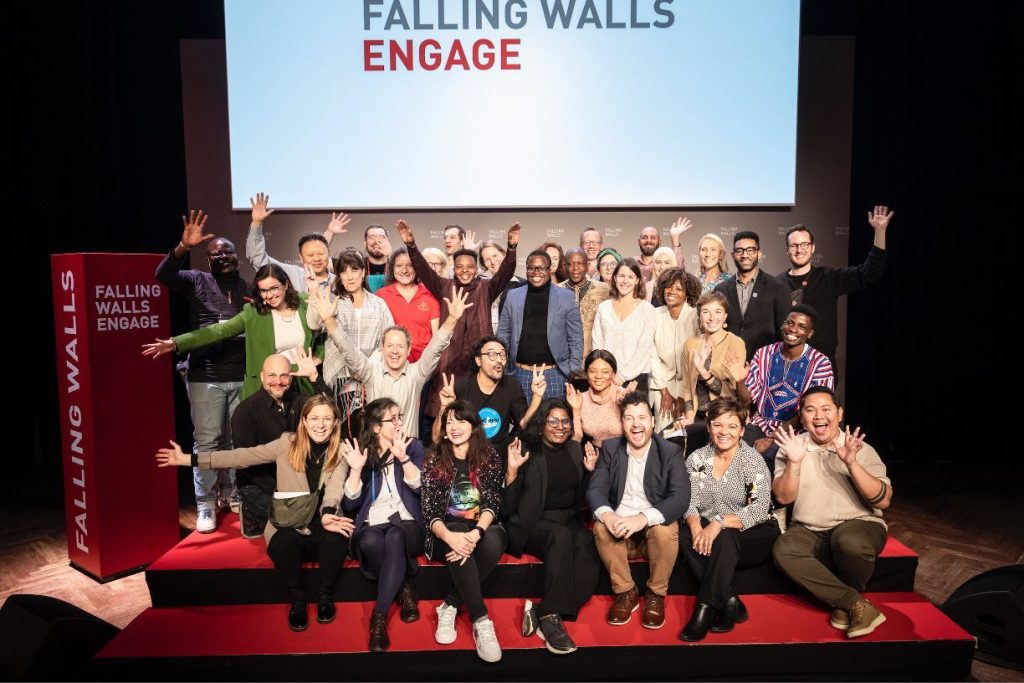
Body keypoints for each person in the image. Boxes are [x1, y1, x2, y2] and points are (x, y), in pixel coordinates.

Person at [156, 395, 354, 632]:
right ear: (304, 420)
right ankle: (297, 598)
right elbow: (242, 456)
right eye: (314, 418)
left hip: (322, 517)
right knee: (284, 541)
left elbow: (335, 487)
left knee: (337, 538)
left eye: (327, 419)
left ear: (335, 422)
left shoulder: (341, 450)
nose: (320, 425)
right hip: (290, 519)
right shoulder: (287, 443)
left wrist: (328, 513)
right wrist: (189, 459)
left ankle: (325, 595)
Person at [772, 387, 893, 639]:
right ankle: (852, 603)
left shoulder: (859, 447)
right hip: (809, 528)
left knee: (849, 541)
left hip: (858, 523)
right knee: (784, 550)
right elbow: (783, 498)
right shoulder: (792, 447)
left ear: (839, 414)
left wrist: (852, 463)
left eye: (826, 409)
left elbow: (883, 501)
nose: (819, 416)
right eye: (810, 410)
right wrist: (794, 463)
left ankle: (845, 602)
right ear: (801, 417)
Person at [154, 209, 249, 532]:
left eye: (227, 252)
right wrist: (183, 247)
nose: (222, 256)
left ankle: (233, 493)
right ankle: (205, 503)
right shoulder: (197, 280)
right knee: (207, 442)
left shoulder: (248, 287)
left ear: (236, 256)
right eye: (215, 253)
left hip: (241, 374)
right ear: (208, 260)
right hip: (205, 376)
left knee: (238, 442)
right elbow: (164, 275)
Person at [308, 283, 471, 439]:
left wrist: (452, 319)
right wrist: (328, 320)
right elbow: (347, 349)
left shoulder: (416, 374)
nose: (394, 351)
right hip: (375, 450)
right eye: (390, 346)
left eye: (400, 346)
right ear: (382, 349)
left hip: (407, 449)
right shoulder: (370, 372)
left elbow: (436, 347)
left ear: (408, 350)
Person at [503, 400, 601, 655]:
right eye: (553, 421)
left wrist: (590, 472)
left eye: (565, 421)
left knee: (590, 549)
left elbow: (583, 496)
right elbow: (507, 506)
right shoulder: (527, 449)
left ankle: (543, 610)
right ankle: (549, 620)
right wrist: (511, 472)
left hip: (569, 519)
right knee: (560, 537)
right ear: (542, 423)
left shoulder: (574, 449)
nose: (560, 426)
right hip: (531, 522)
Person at [398, 218, 520, 420]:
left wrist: (512, 248)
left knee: (475, 417)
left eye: (469, 266)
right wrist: (411, 245)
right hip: (449, 363)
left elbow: (505, 272)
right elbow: (423, 270)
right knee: (444, 414)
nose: (465, 270)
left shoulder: (486, 288)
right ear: (453, 269)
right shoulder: (444, 286)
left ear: (476, 269)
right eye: (460, 266)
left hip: (478, 365)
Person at [586, 391, 689, 629]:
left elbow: (680, 497)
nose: (636, 424)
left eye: (642, 417)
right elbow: (595, 489)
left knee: (666, 528)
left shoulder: (670, 452)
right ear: (621, 423)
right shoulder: (611, 448)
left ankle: (656, 594)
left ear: (652, 421)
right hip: (620, 534)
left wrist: (642, 518)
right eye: (629, 418)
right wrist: (609, 515)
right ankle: (626, 592)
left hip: (651, 534)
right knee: (600, 525)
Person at [143, 263, 322, 400]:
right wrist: (177, 342)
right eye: (263, 290)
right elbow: (219, 331)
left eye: (274, 288)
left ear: (286, 285)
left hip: (302, 382)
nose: (269, 295)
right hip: (268, 387)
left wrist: (319, 357)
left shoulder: (304, 302)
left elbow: (325, 330)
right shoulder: (254, 312)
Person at [678, 398, 778, 641]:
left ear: (742, 430)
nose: (724, 432)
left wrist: (720, 521)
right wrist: (695, 527)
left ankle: (706, 607)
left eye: (732, 426)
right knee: (680, 533)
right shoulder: (697, 459)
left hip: (755, 531)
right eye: (718, 425)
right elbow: (689, 501)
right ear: (709, 427)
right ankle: (730, 600)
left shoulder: (751, 460)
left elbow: (759, 509)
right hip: (711, 528)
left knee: (724, 537)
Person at [422, 400, 508, 663]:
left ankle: (450, 604)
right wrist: (451, 537)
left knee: (496, 538)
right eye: (449, 422)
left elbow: (493, 500)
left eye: (461, 421)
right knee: (457, 528)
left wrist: (477, 532)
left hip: (478, 529)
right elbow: (430, 512)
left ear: (473, 425)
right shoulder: (435, 458)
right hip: (444, 534)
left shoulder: (489, 455)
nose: (454, 427)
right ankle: (481, 620)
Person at [341, 398, 425, 653]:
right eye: (393, 419)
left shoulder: (413, 446)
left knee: (396, 536)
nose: (399, 423)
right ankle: (403, 586)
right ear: (376, 427)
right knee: (369, 541)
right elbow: (350, 504)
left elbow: (420, 489)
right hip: (374, 522)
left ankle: (379, 616)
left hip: (407, 522)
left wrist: (404, 459)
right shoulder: (362, 455)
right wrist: (356, 470)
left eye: (400, 417)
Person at [778, 206, 892, 364]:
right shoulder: (777, 284)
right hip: (787, 363)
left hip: (821, 363)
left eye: (804, 244)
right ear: (787, 250)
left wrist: (880, 231)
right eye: (793, 246)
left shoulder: (829, 277)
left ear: (813, 248)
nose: (799, 250)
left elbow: (870, 272)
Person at [230, 353, 318, 539]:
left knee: (319, 518)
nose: (278, 381)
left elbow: (329, 416)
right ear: (262, 376)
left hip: (296, 480)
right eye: (272, 375)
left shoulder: (300, 401)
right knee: (298, 525)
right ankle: (251, 512)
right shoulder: (245, 411)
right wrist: (284, 493)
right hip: (258, 485)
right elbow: (246, 465)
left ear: (291, 377)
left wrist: (314, 378)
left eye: (284, 375)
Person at [734, 306, 834, 466]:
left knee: (769, 458)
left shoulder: (820, 363)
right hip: (760, 424)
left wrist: (773, 436)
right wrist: (740, 381)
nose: (793, 329)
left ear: (810, 333)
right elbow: (746, 400)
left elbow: (813, 411)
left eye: (802, 327)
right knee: (733, 452)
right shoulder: (763, 354)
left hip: (797, 431)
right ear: (783, 325)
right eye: (790, 323)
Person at [307, 249, 394, 417]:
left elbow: (387, 339)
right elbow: (313, 323)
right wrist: (313, 292)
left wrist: (367, 367)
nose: (349, 276)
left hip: (370, 374)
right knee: (340, 425)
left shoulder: (378, 303)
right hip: (339, 375)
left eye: (354, 270)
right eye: (344, 272)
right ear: (339, 276)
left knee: (369, 424)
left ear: (363, 272)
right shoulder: (333, 300)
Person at [433, 336, 544, 453]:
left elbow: (523, 423)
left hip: (498, 453)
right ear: (478, 360)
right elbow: (436, 439)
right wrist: (444, 406)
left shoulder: (512, 386)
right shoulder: (462, 387)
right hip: (468, 453)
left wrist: (537, 396)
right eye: (492, 354)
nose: (499, 360)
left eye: (502, 355)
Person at [498, 249, 583, 400]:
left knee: (554, 416)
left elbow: (575, 336)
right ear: (526, 270)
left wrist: (573, 369)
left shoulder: (566, 297)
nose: (536, 272)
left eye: (541, 268)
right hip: (519, 373)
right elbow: (503, 333)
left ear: (549, 270)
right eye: (531, 268)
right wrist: (503, 365)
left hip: (554, 374)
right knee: (521, 416)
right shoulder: (513, 296)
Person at [678, 291, 747, 453]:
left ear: (725, 316)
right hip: (697, 414)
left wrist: (704, 372)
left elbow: (730, 393)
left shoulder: (735, 343)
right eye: (705, 312)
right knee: (669, 440)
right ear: (699, 317)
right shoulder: (690, 345)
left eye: (717, 312)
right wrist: (689, 417)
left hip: (723, 415)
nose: (711, 318)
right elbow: (687, 387)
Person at [714, 231, 791, 360]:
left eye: (750, 250)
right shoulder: (721, 290)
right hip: (728, 363)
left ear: (759, 253)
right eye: (739, 251)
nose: (744, 255)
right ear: (733, 255)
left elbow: (784, 331)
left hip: (765, 363)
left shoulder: (777, 287)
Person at [246, 192, 336, 295]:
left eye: (320, 254)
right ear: (301, 258)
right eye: (310, 255)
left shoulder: (340, 283)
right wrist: (257, 223)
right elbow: (258, 259)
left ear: (329, 254)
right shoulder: (292, 274)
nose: (316, 259)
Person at [592, 258, 656, 393]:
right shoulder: (604, 308)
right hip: (606, 379)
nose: (625, 281)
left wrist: (622, 376)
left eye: (630, 277)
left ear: (637, 280)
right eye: (621, 276)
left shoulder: (647, 309)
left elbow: (644, 349)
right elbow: (597, 344)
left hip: (636, 379)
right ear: (615, 278)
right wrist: (605, 372)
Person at [649, 269, 701, 431]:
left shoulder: (695, 316)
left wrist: (684, 397)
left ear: (687, 293)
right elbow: (652, 355)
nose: (672, 292)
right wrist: (665, 392)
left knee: (686, 430)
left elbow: (698, 358)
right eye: (668, 287)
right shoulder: (655, 314)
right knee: (664, 429)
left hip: (690, 384)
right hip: (661, 382)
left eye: (679, 289)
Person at [375, 247, 440, 363]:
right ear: (392, 268)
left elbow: (437, 338)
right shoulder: (381, 295)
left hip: (425, 363)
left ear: (417, 267)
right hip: (393, 361)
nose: (404, 270)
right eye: (399, 265)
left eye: (410, 265)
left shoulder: (429, 295)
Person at [565, 350, 634, 449]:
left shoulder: (623, 395)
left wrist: (625, 407)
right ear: (586, 373)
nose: (598, 376)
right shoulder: (580, 399)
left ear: (613, 374)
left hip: (624, 452)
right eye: (593, 371)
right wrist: (576, 410)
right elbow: (577, 438)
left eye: (605, 372)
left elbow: (635, 434)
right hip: (595, 453)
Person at [558, 248, 611, 367]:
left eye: (580, 263)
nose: (575, 268)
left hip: (595, 363)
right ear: (564, 266)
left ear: (587, 266)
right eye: (570, 264)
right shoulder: (555, 291)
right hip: (563, 363)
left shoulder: (605, 290)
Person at [478, 240, 524, 333]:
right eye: (487, 260)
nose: (492, 261)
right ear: (483, 265)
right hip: (486, 337)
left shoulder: (523, 285)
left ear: (504, 254)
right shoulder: (480, 286)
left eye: (495, 255)